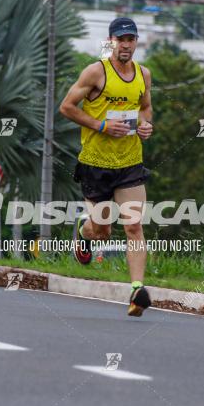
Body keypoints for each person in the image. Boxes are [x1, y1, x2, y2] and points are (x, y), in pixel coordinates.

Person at [59, 17, 154, 316]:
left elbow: (146, 107)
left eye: (131, 39)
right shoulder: (95, 71)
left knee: (134, 226)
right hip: (96, 163)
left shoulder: (143, 74)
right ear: (111, 41)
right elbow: (67, 107)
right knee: (102, 232)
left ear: (136, 42)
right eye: (120, 39)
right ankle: (83, 232)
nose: (126, 45)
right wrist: (101, 125)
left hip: (129, 163)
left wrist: (145, 125)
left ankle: (137, 290)